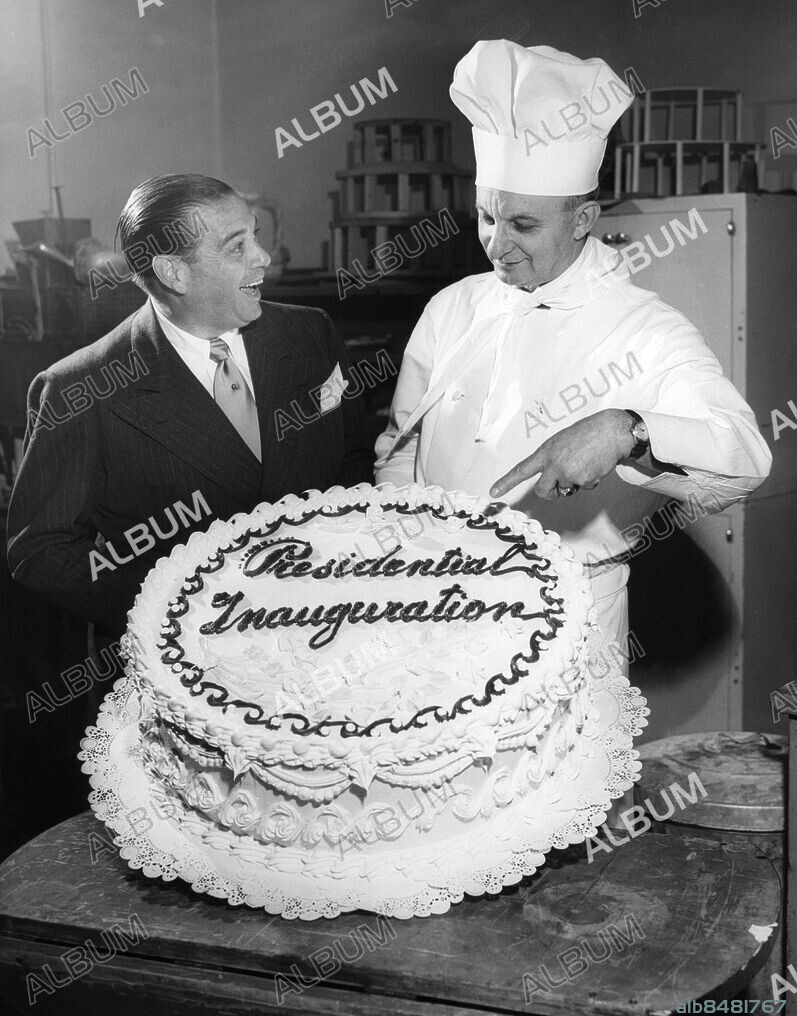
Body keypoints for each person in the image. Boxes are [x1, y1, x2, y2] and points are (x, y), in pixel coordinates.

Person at [375, 41, 771, 665]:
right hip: (435, 608)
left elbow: (745, 459)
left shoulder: (644, 329)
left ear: (583, 219)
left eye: (523, 225)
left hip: (568, 618)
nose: (496, 245)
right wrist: (395, 560)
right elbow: (401, 450)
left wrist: (626, 430)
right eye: (486, 218)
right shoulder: (452, 307)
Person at [7, 174, 373, 649]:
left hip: (322, 630)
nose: (262, 257)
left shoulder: (311, 333)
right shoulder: (79, 390)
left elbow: (354, 458)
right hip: (183, 656)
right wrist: (175, 610)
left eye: (255, 235)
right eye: (237, 247)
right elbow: (40, 549)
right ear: (173, 272)